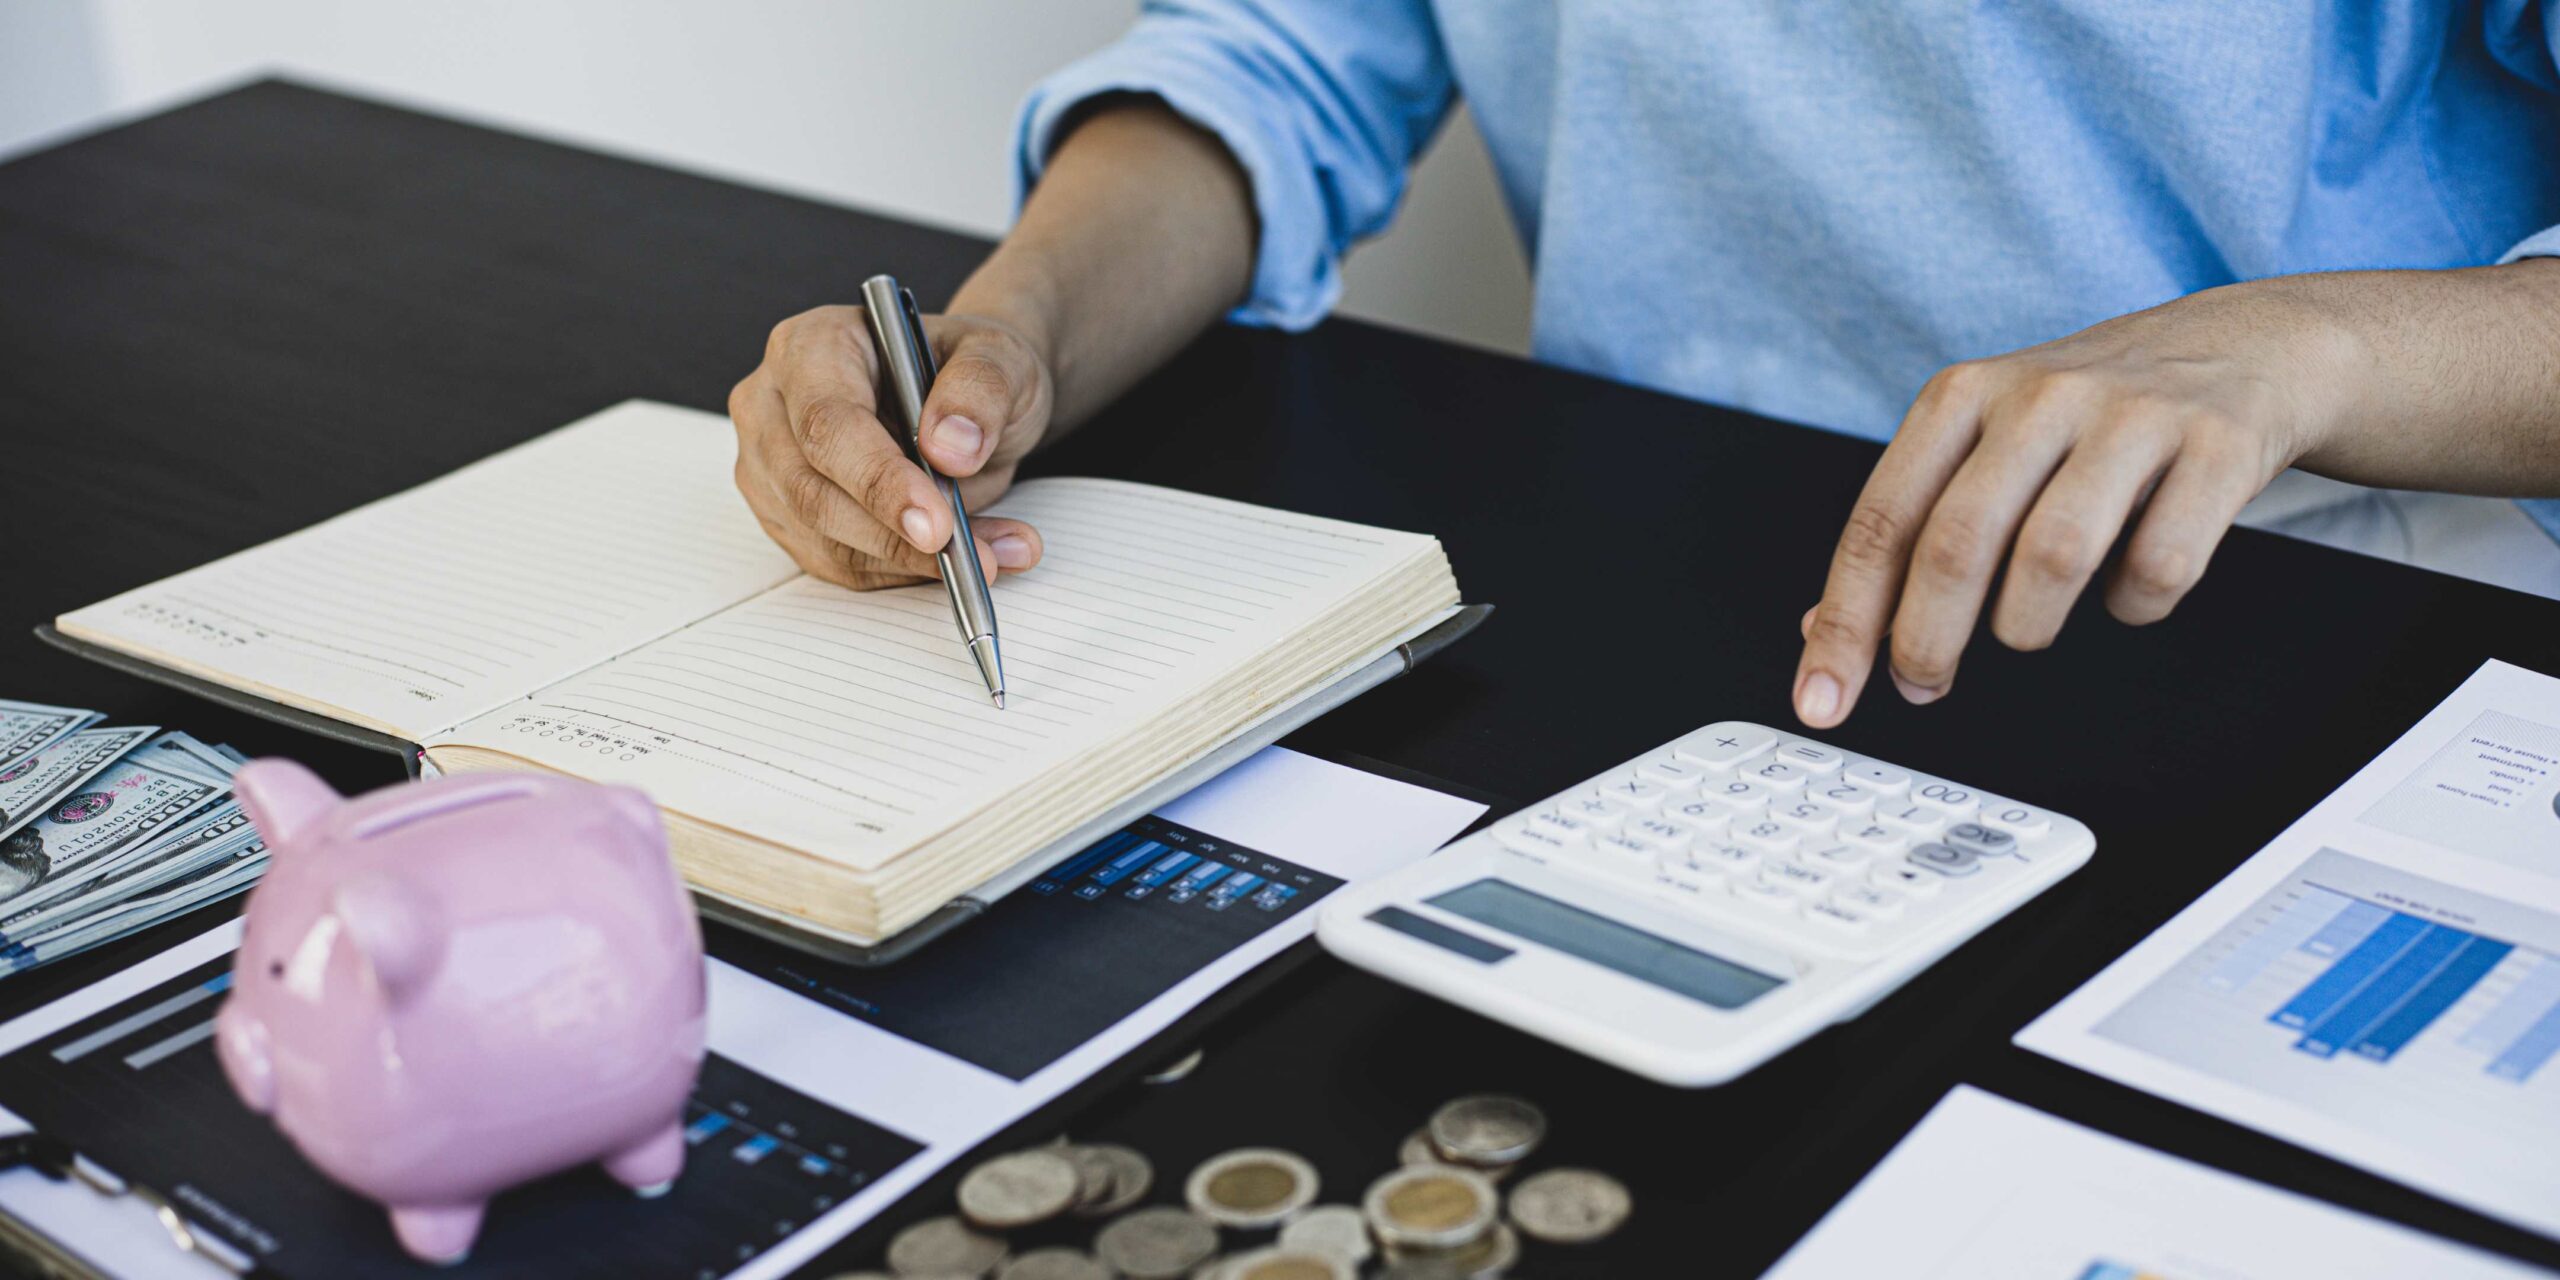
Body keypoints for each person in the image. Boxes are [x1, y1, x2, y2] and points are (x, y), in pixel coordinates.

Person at [728, 3, 2560, 728]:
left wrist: (2306, 347)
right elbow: (1291, 56)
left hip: (2304, 637)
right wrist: (1018, 326)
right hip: (1648, 605)